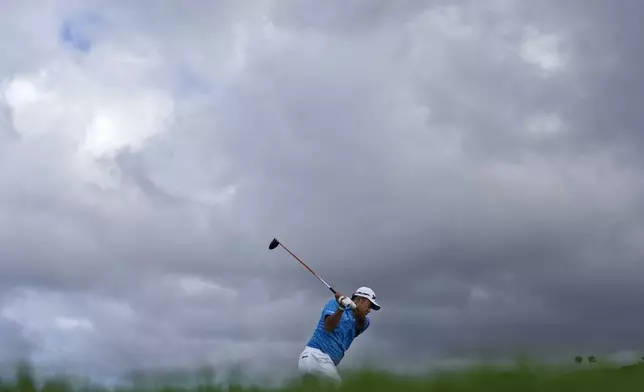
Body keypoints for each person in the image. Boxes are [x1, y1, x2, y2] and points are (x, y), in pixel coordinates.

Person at [297, 286, 380, 384]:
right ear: (360, 300)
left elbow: (360, 321)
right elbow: (329, 326)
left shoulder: (365, 322)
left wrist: (352, 306)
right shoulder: (334, 304)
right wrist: (341, 307)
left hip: (325, 363)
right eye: (369, 305)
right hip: (316, 356)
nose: (369, 310)